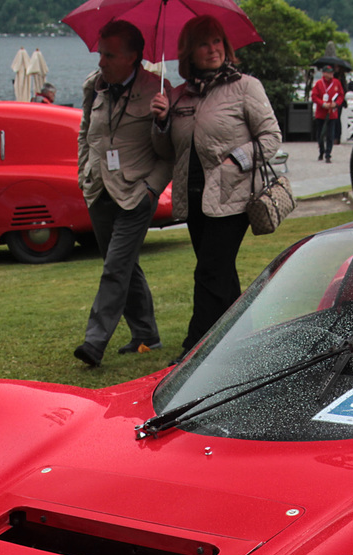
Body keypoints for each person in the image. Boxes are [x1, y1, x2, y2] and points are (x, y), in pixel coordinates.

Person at [151, 15, 282, 356]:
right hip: (193, 198)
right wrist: (162, 121)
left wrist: (236, 158)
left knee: (209, 270)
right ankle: (243, 339)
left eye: (217, 42)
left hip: (233, 195)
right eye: (203, 44)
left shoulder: (245, 86)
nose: (212, 49)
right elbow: (166, 151)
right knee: (220, 272)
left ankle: (195, 348)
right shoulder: (179, 96)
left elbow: (271, 137)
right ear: (189, 53)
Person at [73, 20, 172, 367]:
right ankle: (147, 335)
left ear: (133, 56)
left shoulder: (158, 90)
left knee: (116, 267)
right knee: (122, 263)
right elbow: (86, 133)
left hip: (135, 194)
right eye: (101, 53)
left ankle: (94, 342)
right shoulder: (94, 87)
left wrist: (151, 190)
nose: (101, 61)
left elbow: (168, 152)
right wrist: (83, 171)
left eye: (109, 55)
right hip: (99, 189)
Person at [310, 66, 344, 162]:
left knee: (330, 134)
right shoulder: (319, 84)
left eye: (331, 72)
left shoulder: (336, 82)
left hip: (332, 113)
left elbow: (341, 95)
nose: (331, 74)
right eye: (328, 73)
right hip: (321, 113)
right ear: (324, 73)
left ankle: (328, 154)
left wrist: (336, 104)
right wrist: (323, 104)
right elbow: (314, 96)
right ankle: (321, 150)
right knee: (320, 134)